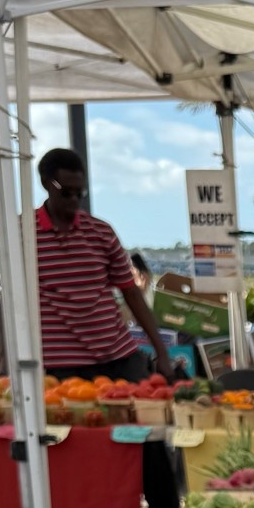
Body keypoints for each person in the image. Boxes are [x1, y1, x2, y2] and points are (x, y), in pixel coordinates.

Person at [34, 148, 170, 384]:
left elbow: (131, 293)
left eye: (81, 193)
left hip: (117, 357)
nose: (75, 200)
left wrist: (162, 351)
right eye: (66, 193)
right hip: (57, 366)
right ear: (46, 183)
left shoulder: (101, 232)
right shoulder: (23, 234)